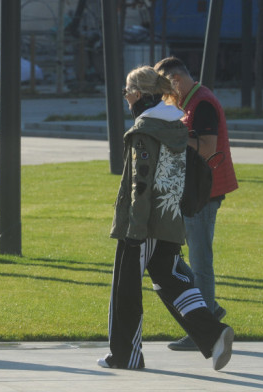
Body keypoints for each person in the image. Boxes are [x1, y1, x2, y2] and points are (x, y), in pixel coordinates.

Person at [98, 65, 234, 371]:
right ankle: (214, 335)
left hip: (142, 225)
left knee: (125, 289)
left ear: (136, 94)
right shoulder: (176, 127)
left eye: (126, 92)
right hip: (171, 221)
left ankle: (125, 355)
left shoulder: (143, 131)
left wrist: (134, 229)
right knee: (172, 281)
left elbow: (140, 185)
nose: (125, 98)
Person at [154, 57, 239, 351]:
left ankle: (205, 328)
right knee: (185, 258)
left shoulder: (201, 103)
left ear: (177, 79)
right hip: (198, 190)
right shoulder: (192, 101)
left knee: (201, 263)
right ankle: (210, 310)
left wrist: (173, 136)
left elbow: (207, 148)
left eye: (167, 88)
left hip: (205, 191)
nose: (167, 95)